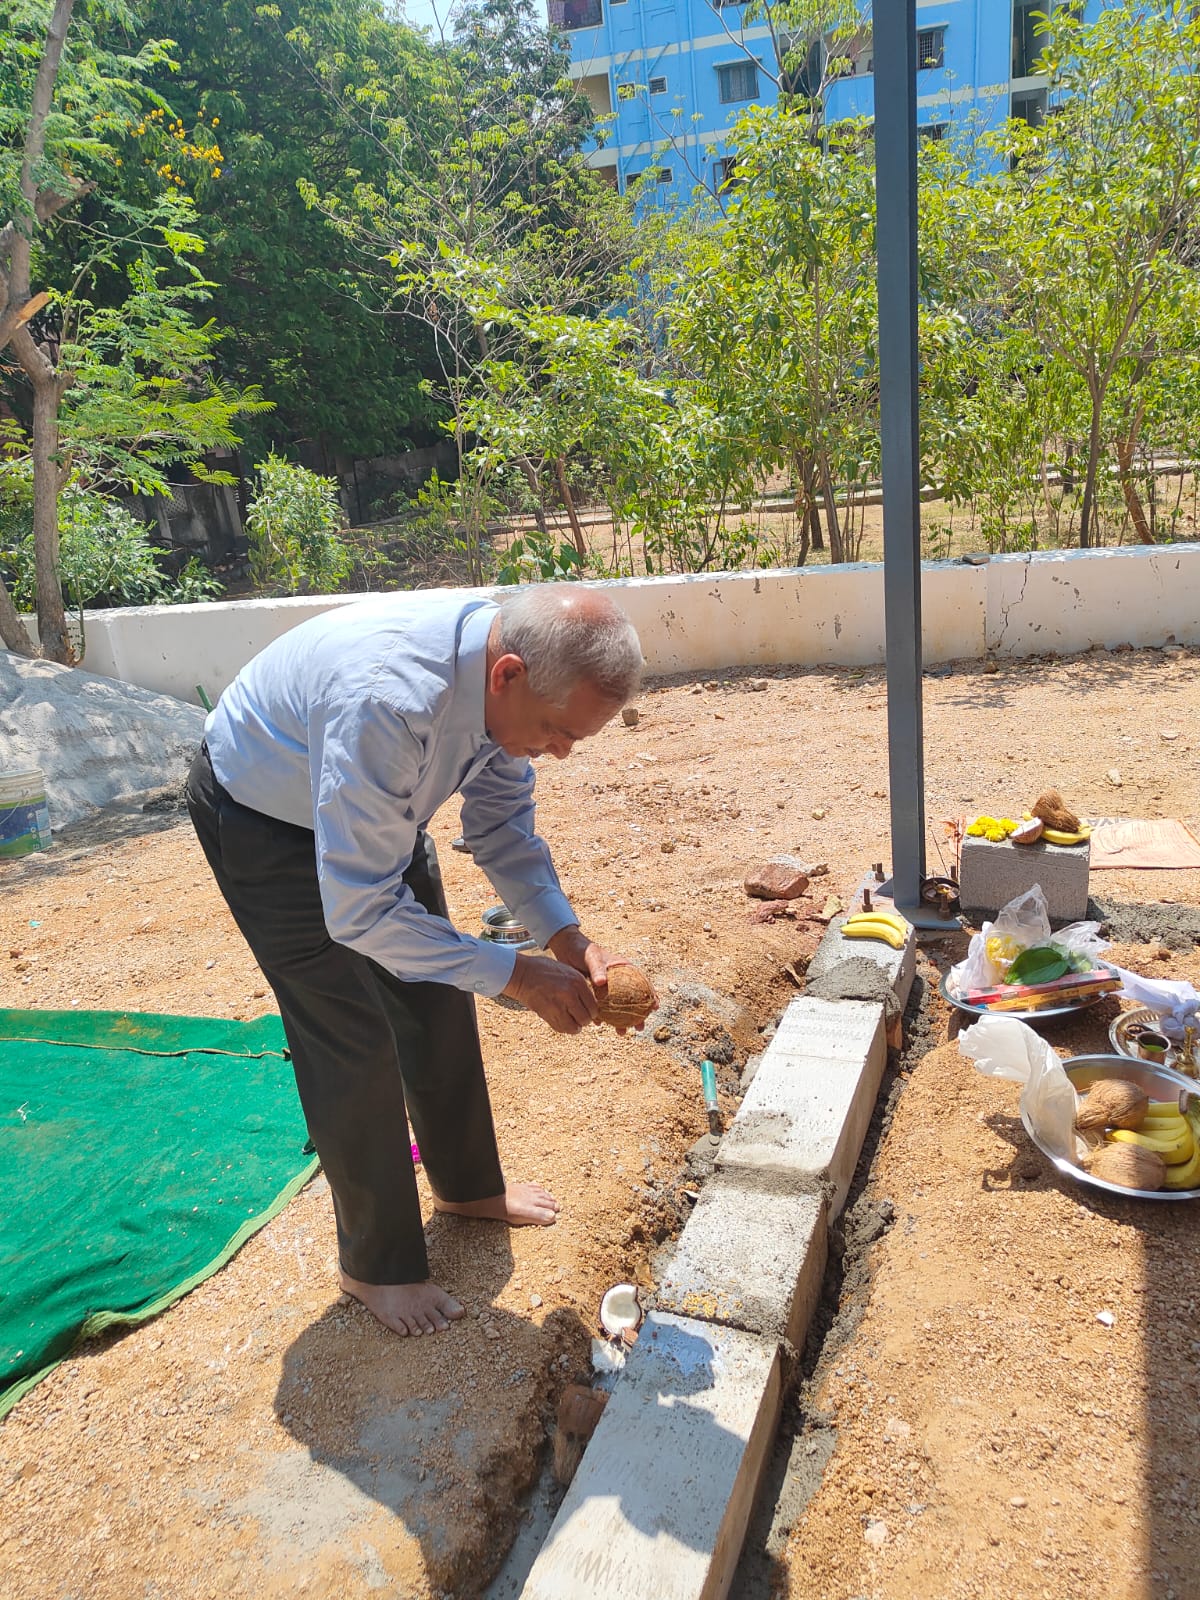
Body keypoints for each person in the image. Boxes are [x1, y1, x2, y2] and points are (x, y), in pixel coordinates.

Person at [185, 584, 644, 1339]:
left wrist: (571, 942)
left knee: (435, 997)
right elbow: (358, 910)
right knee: (350, 1033)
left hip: (374, 809)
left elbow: (502, 830)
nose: (560, 752)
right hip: (264, 815)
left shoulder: (505, 692)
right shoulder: (387, 699)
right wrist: (520, 974)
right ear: (507, 675)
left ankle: (467, 1189)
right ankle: (377, 1266)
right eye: (559, 732)